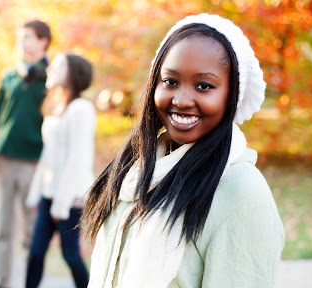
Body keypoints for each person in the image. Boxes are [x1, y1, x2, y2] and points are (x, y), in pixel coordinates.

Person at [82, 14, 285, 287]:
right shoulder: (139, 168)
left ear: (232, 96)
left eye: (204, 86)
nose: (181, 99)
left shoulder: (242, 193)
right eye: (171, 81)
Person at [0, 19, 51, 288]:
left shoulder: (51, 79)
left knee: (32, 230)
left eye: (27, 37)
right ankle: (2, 280)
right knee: (2, 227)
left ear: (43, 41)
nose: (21, 42)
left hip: (33, 164)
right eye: (19, 37)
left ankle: (28, 282)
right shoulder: (10, 75)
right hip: (4, 160)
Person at [25, 53, 94, 288]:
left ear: (72, 74)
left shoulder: (81, 109)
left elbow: (77, 159)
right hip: (49, 192)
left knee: (70, 255)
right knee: (35, 252)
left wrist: (61, 204)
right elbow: (48, 154)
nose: (50, 69)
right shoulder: (56, 107)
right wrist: (37, 192)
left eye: (57, 66)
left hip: (70, 197)